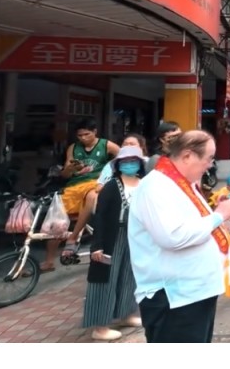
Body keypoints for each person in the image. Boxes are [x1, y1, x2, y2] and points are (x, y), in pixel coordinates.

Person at [128, 130, 230, 343]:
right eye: (209, 158)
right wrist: (220, 215)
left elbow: (201, 229)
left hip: (194, 292)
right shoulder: (156, 187)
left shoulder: (186, 185)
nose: (211, 165)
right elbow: (173, 237)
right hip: (173, 298)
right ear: (187, 156)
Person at [83, 145, 147, 341]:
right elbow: (100, 217)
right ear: (118, 165)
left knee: (130, 276)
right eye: (125, 162)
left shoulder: (144, 184)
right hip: (113, 237)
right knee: (105, 280)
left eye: (133, 161)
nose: (129, 165)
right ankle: (100, 326)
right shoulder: (111, 186)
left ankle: (127, 314)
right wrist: (97, 245)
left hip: (136, 237)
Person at [44, 119, 120, 271]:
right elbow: (65, 174)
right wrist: (71, 168)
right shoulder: (73, 148)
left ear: (95, 132)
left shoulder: (107, 145)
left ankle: (72, 239)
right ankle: (49, 261)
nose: (84, 138)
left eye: (87, 134)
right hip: (73, 186)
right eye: (80, 135)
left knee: (92, 197)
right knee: (57, 222)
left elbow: (124, 158)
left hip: (95, 183)